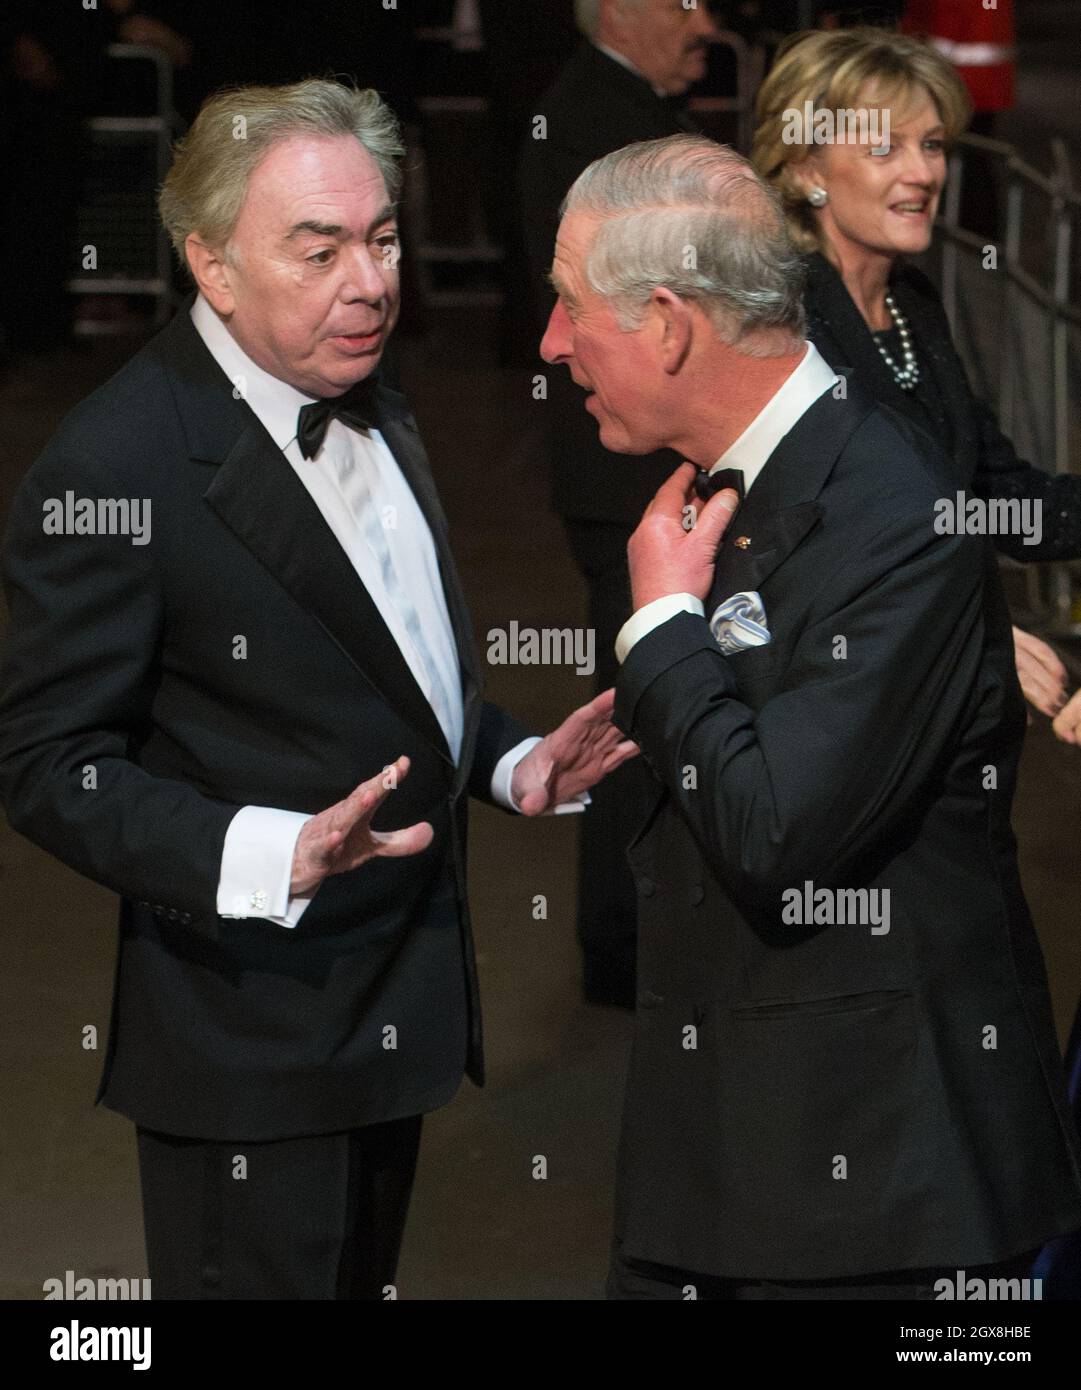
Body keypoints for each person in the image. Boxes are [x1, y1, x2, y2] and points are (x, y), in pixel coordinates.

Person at [0, 78, 636, 1300]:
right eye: (321, 247)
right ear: (211, 265)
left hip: (398, 1020)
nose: (373, 280)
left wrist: (506, 761)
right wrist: (270, 853)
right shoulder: (114, 467)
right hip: (254, 1051)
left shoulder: (373, 394)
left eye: (385, 237)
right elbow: (45, 763)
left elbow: (383, 664)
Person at [540, 132, 1081, 1298]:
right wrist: (650, 706)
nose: (547, 344)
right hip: (739, 1151)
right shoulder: (741, 480)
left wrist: (663, 638)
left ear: (670, 324)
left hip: (871, 1188)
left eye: (567, 306)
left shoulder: (893, 516)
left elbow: (776, 828)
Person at [752, 25, 1081, 723]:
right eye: (884, 147)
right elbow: (799, 566)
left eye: (930, 144)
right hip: (836, 724)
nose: (923, 172)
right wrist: (972, 632)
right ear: (807, 168)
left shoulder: (910, 302)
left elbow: (992, 495)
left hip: (942, 726)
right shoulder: (780, 325)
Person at [519, 0, 719, 1006]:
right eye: (685, 2)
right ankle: (623, 951)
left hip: (622, 475)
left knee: (639, 704)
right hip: (626, 478)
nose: (707, 24)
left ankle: (622, 946)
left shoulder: (605, 110)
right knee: (637, 717)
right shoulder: (601, 126)